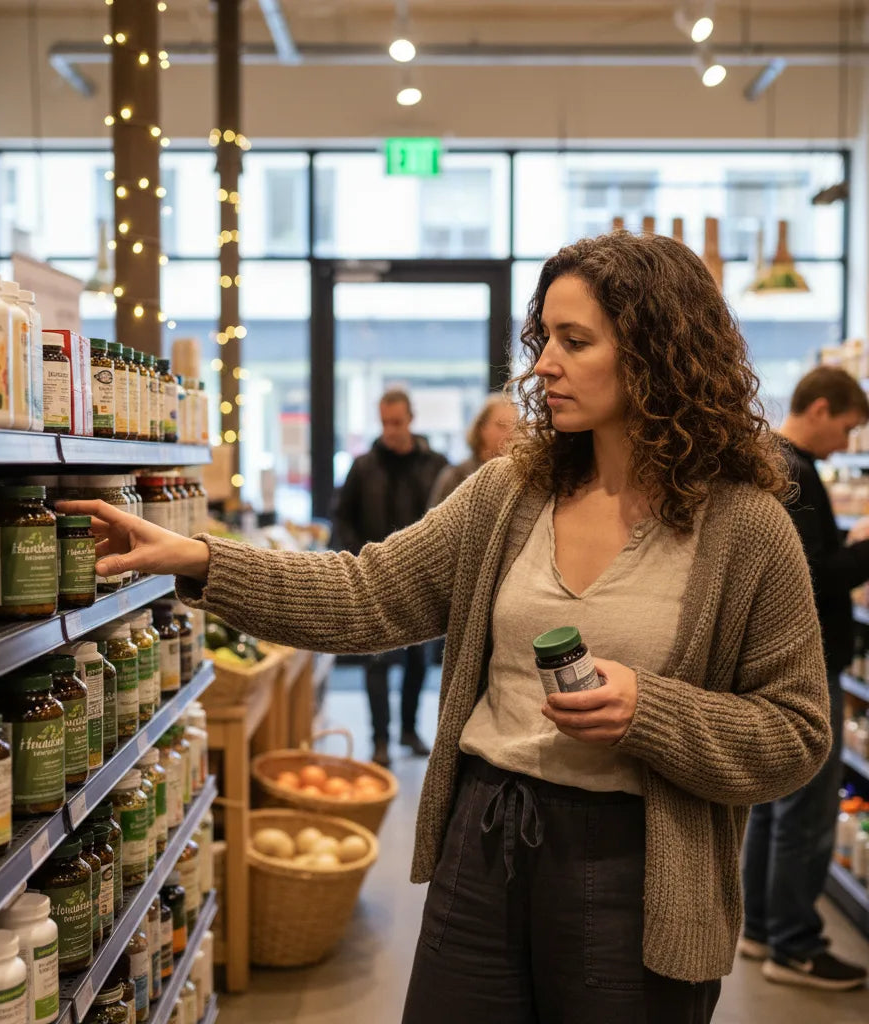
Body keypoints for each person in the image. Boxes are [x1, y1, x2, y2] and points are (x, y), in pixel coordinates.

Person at [58, 231, 830, 1023]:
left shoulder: (745, 528)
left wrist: (652, 713)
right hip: (485, 844)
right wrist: (197, 558)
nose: (542, 365)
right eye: (543, 340)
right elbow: (367, 592)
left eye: (575, 342)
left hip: (636, 871)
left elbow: (797, 732)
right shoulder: (509, 494)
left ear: (658, 351)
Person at [740, 365, 869, 991]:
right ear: (819, 408)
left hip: (789, 655)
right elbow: (814, 578)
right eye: (847, 429)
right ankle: (794, 944)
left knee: (776, 804)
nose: (849, 444)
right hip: (809, 660)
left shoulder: (778, 462)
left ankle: (762, 926)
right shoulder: (791, 470)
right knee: (807, 813)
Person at [332, 389, 448, 766]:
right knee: (376, 662)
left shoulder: (436, 466)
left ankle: (409, 730)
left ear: (411, 419)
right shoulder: (363, 466)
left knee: (418, 663)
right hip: (375, 580)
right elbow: (342, 518)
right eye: (384, 422)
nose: (391, 430)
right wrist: (357, 557)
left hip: (420, 580)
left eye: (397, 422)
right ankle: (380, 740)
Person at [428, 393, 518, 507]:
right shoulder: (456, 476)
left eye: (515, 427)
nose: (510, 434)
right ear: (482, 427)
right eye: (501, 426)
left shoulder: (518, 479)